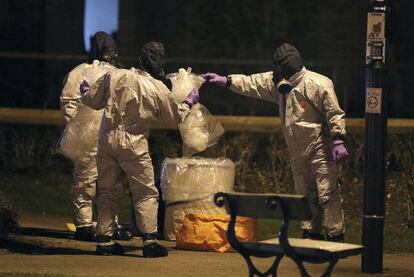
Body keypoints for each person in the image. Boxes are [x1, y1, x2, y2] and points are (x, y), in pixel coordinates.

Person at [202, 43, 348, 242]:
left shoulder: (319, 84)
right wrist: (226, 81)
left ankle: (335, 236)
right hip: (297, 150)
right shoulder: (279, 85)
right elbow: (252, 83)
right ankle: (311, 233)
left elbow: (334, 113)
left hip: (320, 147)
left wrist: (338, 139)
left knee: (327, 192)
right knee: (305, 194)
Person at [81, 41, 199, 257]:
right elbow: (174, 117)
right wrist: (188, 102)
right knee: (145, 192)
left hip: (106, 139)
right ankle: (149, 241)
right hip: (134, 143)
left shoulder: (114, 75)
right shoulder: (156, 87)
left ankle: (104, 241)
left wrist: (85, 89)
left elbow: (92, 100)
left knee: (107, 190)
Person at [60, 31, 132, 242]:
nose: (111, 55)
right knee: (85, 181)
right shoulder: (80, 72)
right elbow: (68, 102)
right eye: (108, 51)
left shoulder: (118, 73)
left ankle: (109, 226)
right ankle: (84, 225)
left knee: (110, 182)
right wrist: (80, 125)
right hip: (86, 139)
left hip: (109, 136)